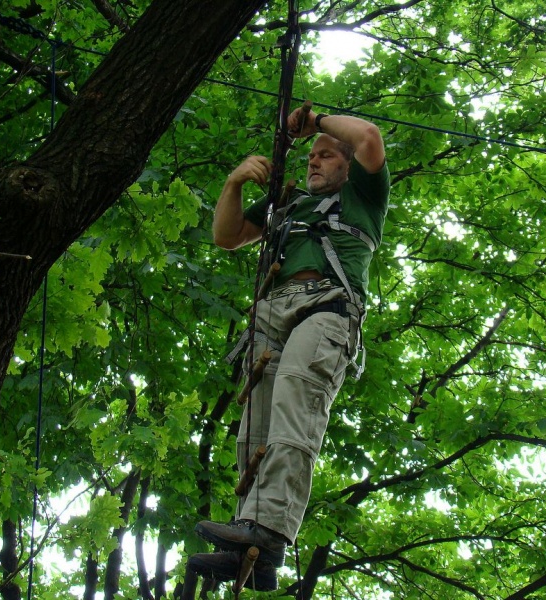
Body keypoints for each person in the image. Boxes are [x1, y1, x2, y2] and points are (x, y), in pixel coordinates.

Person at [189, 106, 389, 589]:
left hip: (326, 305)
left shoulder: (364, 195)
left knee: (295, 400)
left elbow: (368, 136)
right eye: (311, 157)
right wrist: (234, 183)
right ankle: (250, 548)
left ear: (347, 166)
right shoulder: (289, 204)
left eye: (326, 156)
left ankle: (271, 531)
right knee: (255, 427)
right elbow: (227, 236)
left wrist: (314, 121)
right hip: (271, 313)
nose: (314, 161)